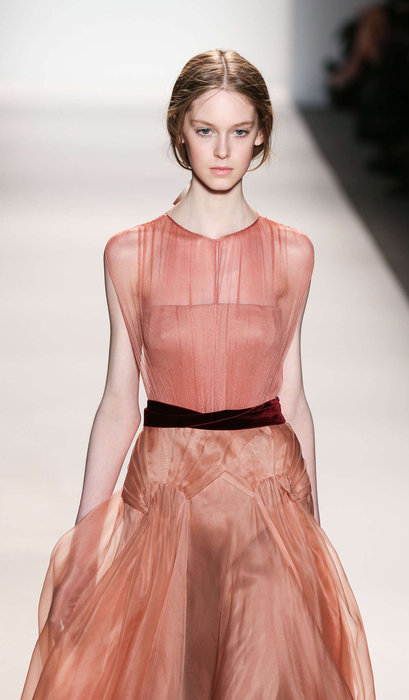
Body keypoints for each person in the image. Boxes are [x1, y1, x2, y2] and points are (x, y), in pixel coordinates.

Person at [20, 49, 376, 699]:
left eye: (239, 131)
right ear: (178, 129)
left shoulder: (292, 254)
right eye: (205, 130)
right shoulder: (130, 254)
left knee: (257, 679)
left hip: (264, 494)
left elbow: (292, 395)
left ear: (261, 134)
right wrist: (83, 543)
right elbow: (119, 401)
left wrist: (313, 537)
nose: (222, 150)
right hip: (165, 495)